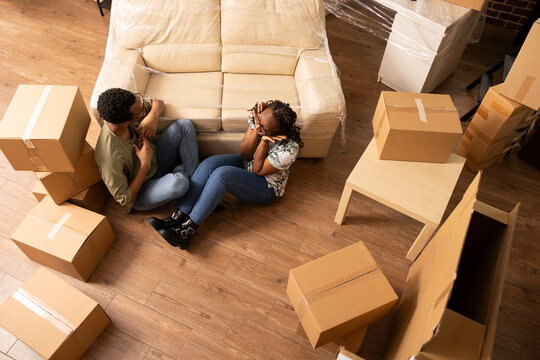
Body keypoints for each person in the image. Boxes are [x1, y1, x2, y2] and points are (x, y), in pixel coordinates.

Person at [148, 99, 303, 249]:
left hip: (266, 186)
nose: (259, 126)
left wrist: (263, 142)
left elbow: (257, 170)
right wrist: (256, 130)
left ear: (279, 132)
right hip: (247, 164)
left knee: (222, 175)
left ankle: (187, 232)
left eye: (265, 128)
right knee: (209, 164)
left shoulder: (289, 149)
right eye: (259, 122)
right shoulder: (259, 121)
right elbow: (245, 155)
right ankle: (177, 218)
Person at [95, 88, 199, 214]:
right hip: (142, 189)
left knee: (184, 126)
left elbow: (157, 102)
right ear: (126, 122)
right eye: (142, 111)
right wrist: (145, 165)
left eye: (143, 104)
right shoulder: (109, 158)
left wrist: (153, 114)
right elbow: (126, 199)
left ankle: (196, 185)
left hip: (157, 160)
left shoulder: (129, 106)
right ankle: (187, 177)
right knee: (180, 183)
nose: (144, 110)